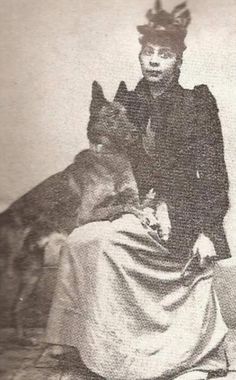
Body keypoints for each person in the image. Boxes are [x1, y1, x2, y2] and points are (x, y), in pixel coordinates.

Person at [45, 1, 231, 379]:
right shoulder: (126, 102)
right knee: (81, 241)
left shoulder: (196, 104)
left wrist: (208, 232)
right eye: (149, 53)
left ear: (178, 61)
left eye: (165, 55)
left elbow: (214, 175)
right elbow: (105, 161)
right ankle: (94, 345)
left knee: (102, 245)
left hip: (180, 215)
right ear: (141, 56)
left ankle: (153, 354)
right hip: (133, 207)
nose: (155, 62)